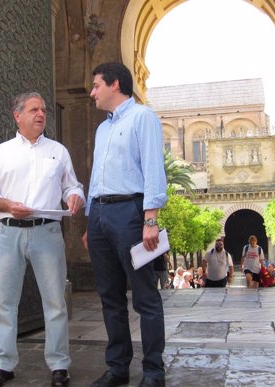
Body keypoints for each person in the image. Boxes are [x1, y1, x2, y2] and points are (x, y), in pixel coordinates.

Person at [0, 92, 85, 387]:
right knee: (5, 302)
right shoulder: (1, 153)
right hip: (7, 233)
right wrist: (8, 205)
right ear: (18, 115)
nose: (41, 114)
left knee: (55, 302)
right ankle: (3, 364)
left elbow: (72, 186)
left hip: (47, 233)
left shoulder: (58, 151)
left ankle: (60, 365)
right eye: (34, 109)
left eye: (44, 110)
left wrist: (75, 196)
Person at [82, 62, 168, 387]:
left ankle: (153, 372)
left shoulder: (143, 117)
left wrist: (150, 220)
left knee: (145, 296)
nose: (92, 92)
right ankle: (117, 368)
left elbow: (153, 168)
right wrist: (91, 221)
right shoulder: (102, 129)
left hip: (132, 215)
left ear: (114, 84)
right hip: (101, 216)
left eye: (96, 86)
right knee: (110, 296)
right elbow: (95, 178)